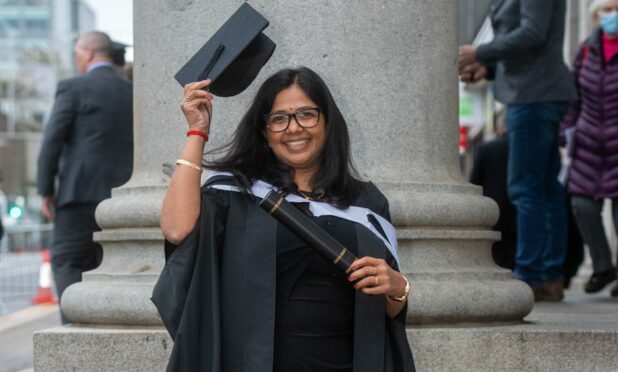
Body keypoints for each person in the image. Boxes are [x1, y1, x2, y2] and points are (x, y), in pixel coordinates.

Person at [153, 67, 415, 371]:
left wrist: (398, 288)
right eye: (279, 119)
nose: (293, 128)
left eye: (306, 114)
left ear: (327, 122)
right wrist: (197, 133)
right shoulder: (238, 193)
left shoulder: (366, 202)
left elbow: (388, 310)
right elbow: (176, 228)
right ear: (264, 132)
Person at [458, 0, 577, 301]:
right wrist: (488, 68)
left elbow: (533, 33)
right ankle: (549, 275)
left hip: (533, 95)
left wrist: (480, 52)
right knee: (546, 190)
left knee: (526, 189)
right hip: (537, 91)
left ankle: (530, 275)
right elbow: (533, 45)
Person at [37, 31, 133, 323]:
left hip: (78, 196)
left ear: (89, 52)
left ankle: (76, 328)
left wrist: (46, 190)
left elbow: (52, 141)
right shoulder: (132, 91)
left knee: (68, 262)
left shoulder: (73, 87)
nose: (76, 58)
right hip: (124, 200)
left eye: (77, 52)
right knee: (111, 268)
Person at [560, 0, 618, 298]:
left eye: (615, 9)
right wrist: (566, 130)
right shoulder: (586, 50)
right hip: (589, 143)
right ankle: (604, 265)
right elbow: (575, 97)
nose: (610, 16)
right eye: (606, 11)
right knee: (582, 204)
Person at [469, 125, 516, 270]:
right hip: (517, 210)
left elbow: (475, 181)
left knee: (497, 257)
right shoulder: (524, 151)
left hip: (493, 211)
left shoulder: (486, 149)